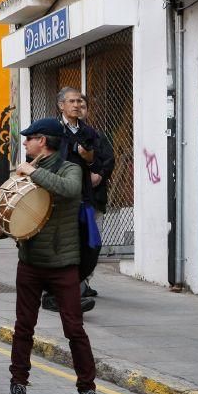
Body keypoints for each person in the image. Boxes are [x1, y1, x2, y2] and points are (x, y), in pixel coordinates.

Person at [0, 118, 102, 394]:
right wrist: (2, 227)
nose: (25, 144)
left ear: (43, 141)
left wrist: (34, 171)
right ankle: (18, 385)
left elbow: (67, 189)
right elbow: (22, 213)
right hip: (30, 262)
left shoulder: (71, 168)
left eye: (29, 139)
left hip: (62, 264)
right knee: (23, 328)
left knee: (74, 329)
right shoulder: (27, 172)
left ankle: (88, 391)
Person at [42, 87, 99, 313]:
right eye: (71, 101)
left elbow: (100, 159)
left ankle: (70, 290)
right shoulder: (52, 130)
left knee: (89, 247)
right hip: (57, 198)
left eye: (79, 101)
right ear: (61, 106)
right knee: (64, 249)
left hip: (83, 198)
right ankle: (60, 296)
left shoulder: (89, 132)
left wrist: (91, 161)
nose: (76, 105)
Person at [79, 94, 115, 298]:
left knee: (92, 242)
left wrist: (99, 175)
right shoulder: (63, 136)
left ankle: (85, 281)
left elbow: (109, 160)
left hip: (95, 199)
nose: (79, 109)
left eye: (83, 105)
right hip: (73, 201)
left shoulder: (99, 137)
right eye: (75, 104)